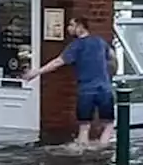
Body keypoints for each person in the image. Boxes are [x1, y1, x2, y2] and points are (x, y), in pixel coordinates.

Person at [22, 16, 116, 148]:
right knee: (109, 124)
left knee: (84, 126)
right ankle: (101, 151)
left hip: (86, 90)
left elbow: (58, 62)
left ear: (80, 27)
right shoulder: (100, 42)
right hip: (105, 89)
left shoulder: (75, 46)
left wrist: (36, 72)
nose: (68, 28)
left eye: (71, 25)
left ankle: (82, 153)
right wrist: (108, 73)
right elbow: (112, 56)